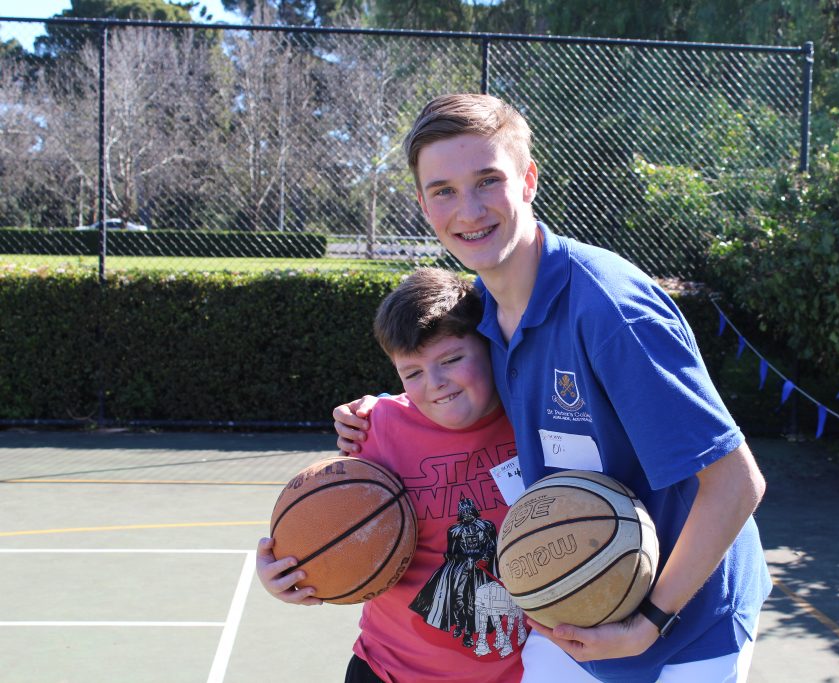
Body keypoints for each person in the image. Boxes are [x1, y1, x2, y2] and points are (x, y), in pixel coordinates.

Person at [334, 94, 772, 683]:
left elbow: (736, 483)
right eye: (443, 190)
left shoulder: (609, 311)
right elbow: (450, 387)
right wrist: (379, 410)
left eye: (488, 180)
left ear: (529, 180)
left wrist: (649, 620)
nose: (468, 209)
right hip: (580, 601)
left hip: (686, 623)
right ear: (421, 203)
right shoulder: (483, 313)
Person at [257, 267, 528, 683]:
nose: (435, 384)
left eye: (452, 359)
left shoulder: (530, 422)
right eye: (412, 372)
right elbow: (330, 528)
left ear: (489, 346)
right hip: (388, 669)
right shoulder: (374, 429)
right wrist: (291, 573)